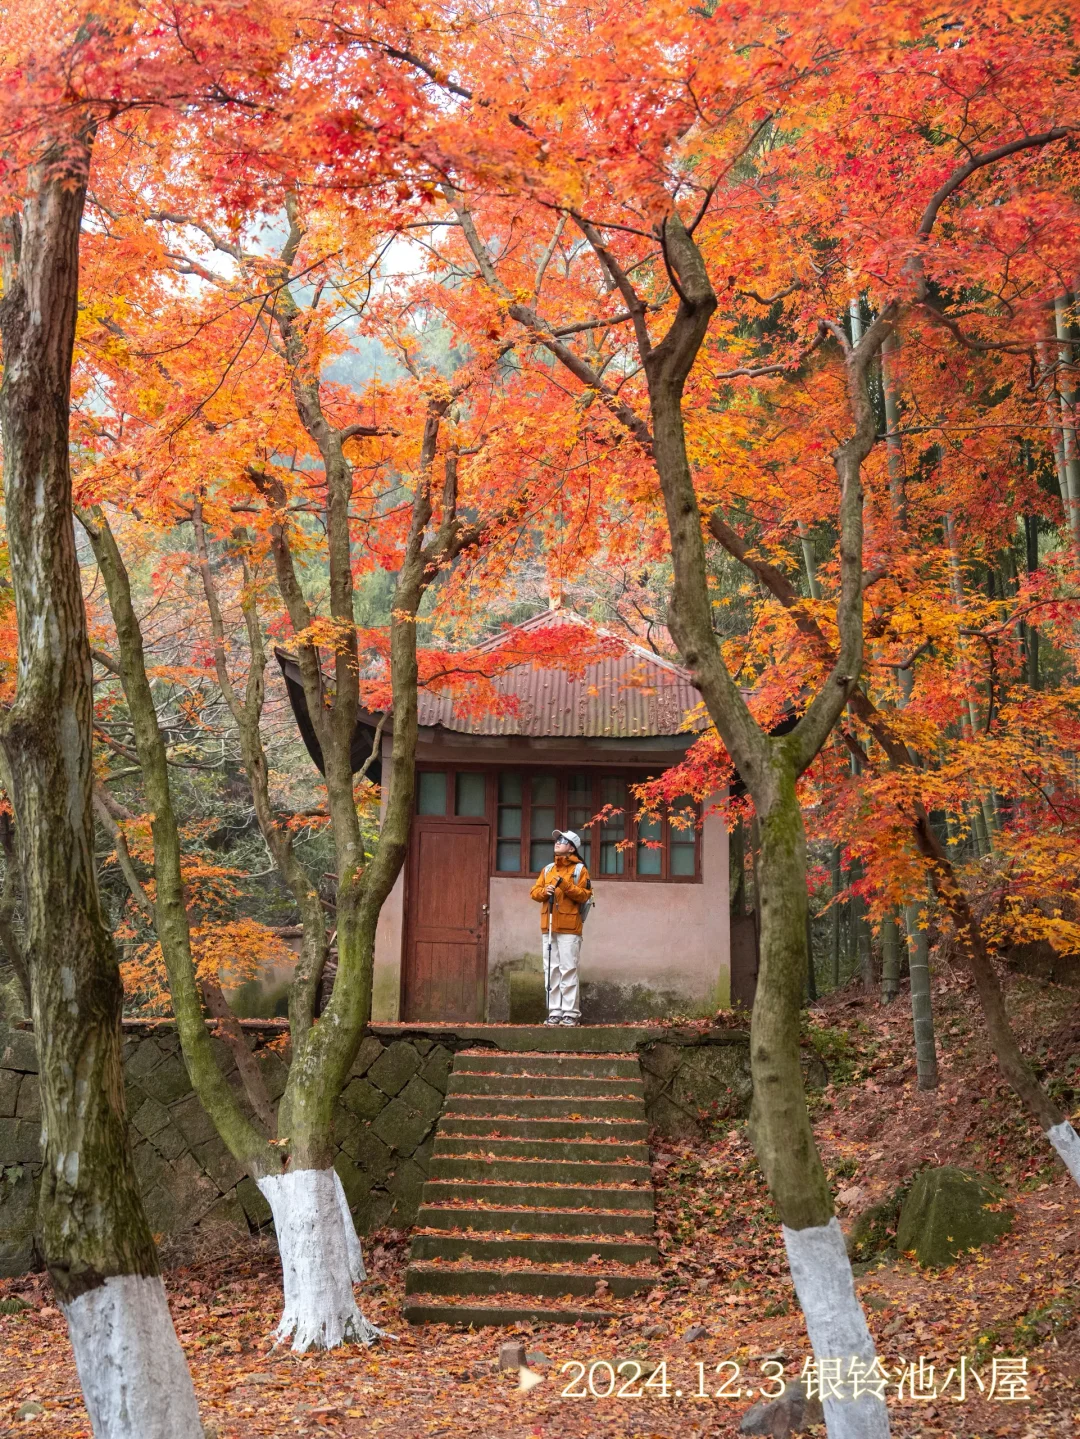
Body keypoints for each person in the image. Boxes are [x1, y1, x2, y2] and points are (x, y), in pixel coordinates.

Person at [530, 829, 591, 1026]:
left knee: (568, 968)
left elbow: (584, 895)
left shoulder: (579, 870)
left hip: (570, 926)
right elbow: (534, 892)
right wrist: (544, 891)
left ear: (571, 847)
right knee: (551, 968)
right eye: (556, 839)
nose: (557, 842)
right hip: (548, 925)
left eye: (563, 840)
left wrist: (564, 885)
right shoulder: (548, 869)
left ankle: (570, 1013)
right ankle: (554, 1010)